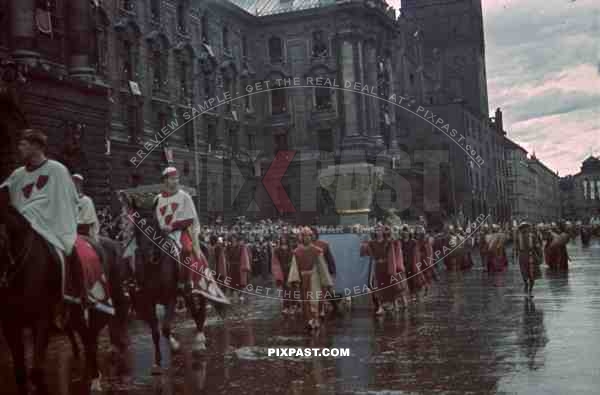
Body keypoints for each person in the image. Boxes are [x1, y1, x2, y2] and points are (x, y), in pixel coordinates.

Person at [0, 129, 83, 316]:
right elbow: (4, 192)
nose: (19, 148)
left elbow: (66, 200)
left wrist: (40, 212)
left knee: (69, 250)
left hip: (51, 225)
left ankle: (73, 292)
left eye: (23, 144)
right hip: (23, 226)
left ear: (36, 146)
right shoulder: (18, 174)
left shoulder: (57, 170)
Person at [287, 227, 333, 330]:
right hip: (303, 278)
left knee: (314, 298)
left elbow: (322, 266)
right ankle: (310, 319)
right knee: (305, 300)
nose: (306, 238)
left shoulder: (317, 251)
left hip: (314, 277)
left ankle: (315, 318)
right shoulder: (297, 251)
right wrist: (294, 279)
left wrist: (326, 280)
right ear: (301, 238)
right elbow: (295, 267)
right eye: (304, 236)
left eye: (308, 236)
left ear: (311, 237)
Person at [515, 222, 542, 297]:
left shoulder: (532, 236)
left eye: (526, 227)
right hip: (522, 257)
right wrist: (515, 255)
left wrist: (540, 256)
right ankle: (526, 284)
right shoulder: (518, 237)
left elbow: (537, 247)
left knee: (532, 274)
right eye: (523, 228)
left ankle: (530, 290)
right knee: (524, 273)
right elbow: (516, 247)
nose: (525, 229)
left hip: (531, 256)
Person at [72, 174, 100, 241]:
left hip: (83, 233)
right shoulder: (68, 200)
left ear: (80, 185)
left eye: (77, 182)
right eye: (73, 182)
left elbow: (88, 222)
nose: (75, 185)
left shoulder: (87, 201)